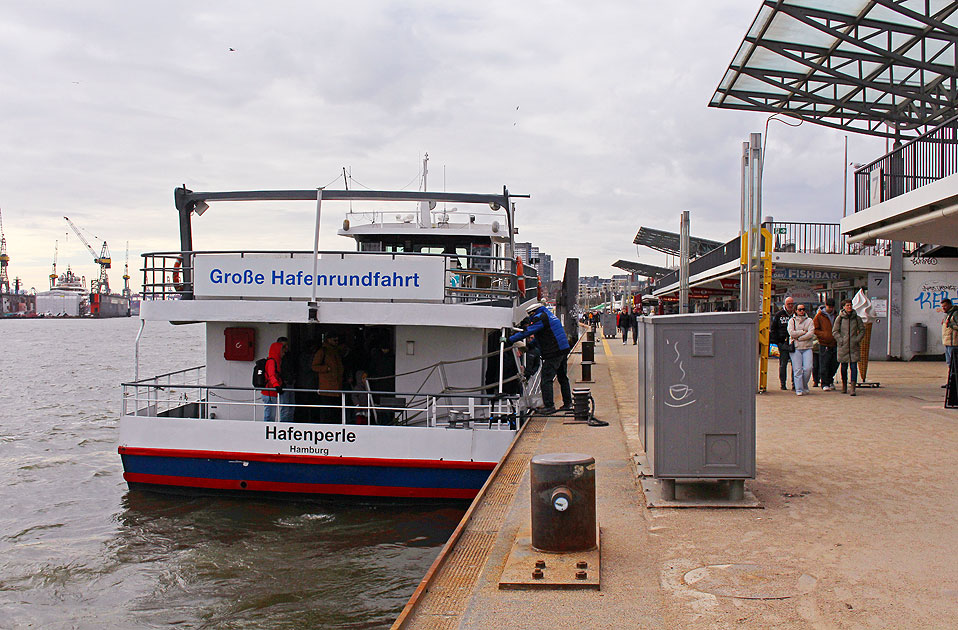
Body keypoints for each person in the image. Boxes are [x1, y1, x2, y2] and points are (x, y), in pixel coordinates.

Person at [509, 301, 571, 414]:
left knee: (546, 380)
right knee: (563, 378)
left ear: (533, 312)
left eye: (530, 315)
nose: (530, 318)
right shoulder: (549, 315)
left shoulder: (540, 317)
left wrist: (510, 339)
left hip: (554, 352)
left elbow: (528, 332)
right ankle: (568, 403)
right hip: (563, 350)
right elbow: (542, 335)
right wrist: (530, 346)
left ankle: (549, 406)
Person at [833, 298, 865, 395]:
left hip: (853, 346)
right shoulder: (840, 318)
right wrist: (840, 340)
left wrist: (857, 339)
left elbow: (862, 330)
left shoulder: (857, 318)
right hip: (843, 346)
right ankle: (844, 385)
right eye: (847, 305)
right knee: (844, 367)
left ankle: (853, 387)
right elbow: (835, 331)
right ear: (843, 307)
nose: (849, 307)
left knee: (854, 366)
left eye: (850, 305)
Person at [312, 332, 345, 422]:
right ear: (328, 340)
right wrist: (326, 368)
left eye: (337, 340)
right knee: (327, 411)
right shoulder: (323, 351)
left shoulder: (337, 351)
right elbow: (314, 366)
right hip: (327, 388)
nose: (336, 342)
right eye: (334, 340)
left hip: (337, 387)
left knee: (336, 411)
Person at [787, 304, 816, 396]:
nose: (802, 311)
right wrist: (803, 332)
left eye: (803, 309)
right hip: (796, 348)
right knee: (797, 369)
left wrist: (799, 337)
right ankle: (799, 388)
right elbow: (791, 333)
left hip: (807, 347)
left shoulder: (810, 320)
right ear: (796, 310)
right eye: (799, 309)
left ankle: (804, 385)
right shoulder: (792, 321)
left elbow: (811, 333)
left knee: (808, 368)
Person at [770, 297, 796, 390]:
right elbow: (773, 329)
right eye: (788, 304)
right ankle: (783, 384)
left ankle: (794, 384)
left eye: (792, 304)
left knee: (795, 365)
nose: (790, 306)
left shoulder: (796, 315)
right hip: (782, 343)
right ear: (785, 304)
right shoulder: (779, 315)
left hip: (794, 343)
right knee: (783, 364)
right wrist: (775, 342)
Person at [260, 338, 288, 422]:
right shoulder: (272, 362)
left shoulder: (276, 361)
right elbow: (271, 375)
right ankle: (267, 428)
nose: (284, 352)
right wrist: (277, 385)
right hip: (269, 392)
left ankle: (269, 428)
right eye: (282, 350)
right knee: (269, 415)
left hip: (271, 392)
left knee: (271, 414)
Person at [813, 298, 839, 391]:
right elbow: (815, 329)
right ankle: (824, 383)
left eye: (832, 307)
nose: (830, 309)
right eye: (829, 307)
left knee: (834, 363)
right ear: (826, 305)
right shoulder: (819, 316)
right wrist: (823, 335)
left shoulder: (836, 315)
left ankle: (830, 379)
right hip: (824, 343)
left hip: (835, 342)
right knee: (824, 363)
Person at [939, 298, 957, 387]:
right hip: (947, 342)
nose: (943, 308)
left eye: (945, 306)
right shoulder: (948, 314)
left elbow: (955, 325)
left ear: (950, 305)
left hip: (954, 343)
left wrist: (950, 324)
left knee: (954, 364)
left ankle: (953, 383)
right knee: (950, 364)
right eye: (942, 306)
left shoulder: (955, 313)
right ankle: (950, 382)